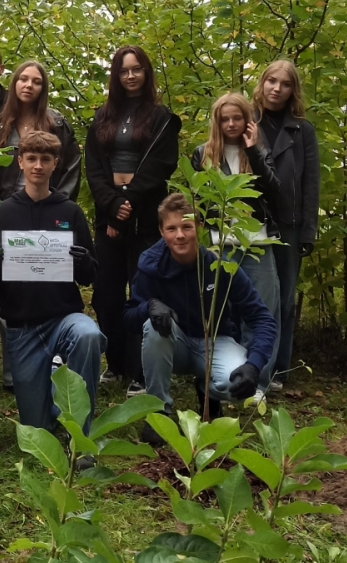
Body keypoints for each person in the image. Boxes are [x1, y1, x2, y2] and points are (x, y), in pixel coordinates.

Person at [0, 131, 103, 432]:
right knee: (38, 429)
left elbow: (90, 276)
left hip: (64, 319)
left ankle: (82, 435)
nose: (38, 166)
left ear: (55, 165)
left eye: (45, 159)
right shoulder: (3, 212)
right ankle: (53, 383)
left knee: (88, 334)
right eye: (32, 159)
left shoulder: (69, 211)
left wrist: (82, 261)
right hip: (23, 327)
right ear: (20, 162)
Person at [127, 194, 275, 423]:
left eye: (187, 227)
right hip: (173, 345)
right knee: (152, 327)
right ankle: (159, 413)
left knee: (236, 385)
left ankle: (207, 391)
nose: (179, 235)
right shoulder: (150, 266)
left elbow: (262, 318)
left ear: (200, 227)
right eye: (171, 228)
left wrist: (254, 366)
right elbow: (128, 318)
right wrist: (148, 307)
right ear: (161, 231)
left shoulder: (221, 265)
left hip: (215, 341)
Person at [83, 46, 181, 389]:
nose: (130, 76)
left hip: (144, 217)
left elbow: (161, 164)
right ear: (116, 75)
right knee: (106, 294)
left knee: (143, 293)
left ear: (146, 72)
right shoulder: (103, 116)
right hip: (108, 215)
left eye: (136, 69)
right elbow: (93, 166)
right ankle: (117, 364)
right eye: (124, 71)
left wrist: (128, 201)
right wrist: (112, 204)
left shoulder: (159, 116)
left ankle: (141, 372)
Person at [191, 92, 284, 392]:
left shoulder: (258, 150)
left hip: (258, 243)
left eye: (237, 118)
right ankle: (222, 379)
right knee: (220, 313)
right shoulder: (202, 154)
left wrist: (254, 150)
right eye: (225, 119)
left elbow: (274, 192)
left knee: (262, 312)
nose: (231, 124)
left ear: (248, 120)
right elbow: (199, 202)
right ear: (216, 122)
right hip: (220, 244)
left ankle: (258, 381)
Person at [252, 60, 319, 389]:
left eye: (285, 83)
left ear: (294, 90)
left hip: (289, 224)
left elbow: (310, 183)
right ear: (262, 83)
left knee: (285, 298)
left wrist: (309, 229)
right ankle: (251, 363)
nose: (276, 88)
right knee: (254, 295)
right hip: (251, 223)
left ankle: (279, 367)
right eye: (271, 81)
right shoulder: (245, 121)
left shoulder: (302, 130)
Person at [0, 60, 81, 202]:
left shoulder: (57, 124)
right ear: (15, 84)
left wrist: (59, 206)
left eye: (36, 82)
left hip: (49, 208)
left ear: (43, 88)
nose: (29, 85)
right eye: (23, 79)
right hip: (8, 210)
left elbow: (71, 169)